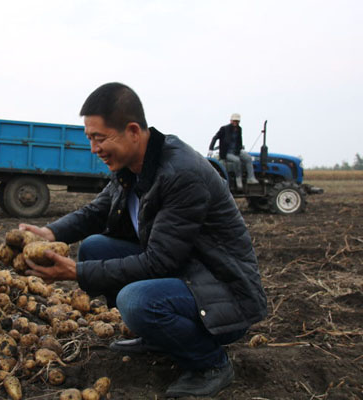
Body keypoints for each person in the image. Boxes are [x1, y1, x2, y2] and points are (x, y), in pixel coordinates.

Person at [20, 83, 267, 398]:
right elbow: (97, 211)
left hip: (223, 290)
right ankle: (158, 336)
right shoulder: (133, 166)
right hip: (186, 273)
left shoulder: (181, 173)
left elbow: (160, 262)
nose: (94, 148)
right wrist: (51, 233)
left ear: (133, 130)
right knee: (94, 247)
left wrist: (76, 272)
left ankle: (211, 364)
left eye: (100, 138)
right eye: (89, 138)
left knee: (136, 301)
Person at [208, 113, 259, 189]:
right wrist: (211, 148)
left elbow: (239, 140)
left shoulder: (239, 129)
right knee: (236, 160)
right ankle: (238, 179)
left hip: (237, 151)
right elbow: (215, 137)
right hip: (227, 152)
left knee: (248, 157)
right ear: (231, 120)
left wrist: (240, 148)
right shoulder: (224, 129)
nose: (235, 123)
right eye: (234, 121)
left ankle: (250, 178)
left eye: (237, 121)